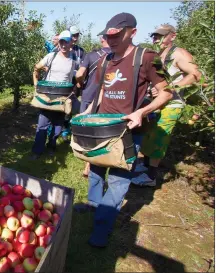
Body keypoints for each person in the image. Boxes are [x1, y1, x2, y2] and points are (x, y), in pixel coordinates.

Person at [74, 13, 173, 247]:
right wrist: (89, 110)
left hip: (128, 130)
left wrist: (142, 112)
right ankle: (93, 204)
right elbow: (102, 90)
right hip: (103, 127)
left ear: (133, 32)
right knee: (96, 170)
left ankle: (102, 225)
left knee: (119, 180)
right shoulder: (105, 60)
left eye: (118, 35)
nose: (113, 40)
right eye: (110, 36)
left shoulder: (148, 57)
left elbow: (167, 91)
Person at [131, 24, 202, 186]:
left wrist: (170, 89)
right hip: (156, 104)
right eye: (155, 35)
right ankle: (146, 165)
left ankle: (150, 177)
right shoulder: (159, 54)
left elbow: (196, 74)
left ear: (173, 36)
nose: (157, 38)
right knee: (149, 135)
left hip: (171, 105)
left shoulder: (179, 53)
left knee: (159, 138)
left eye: (161, 35)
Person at [31, 30, 76, 159]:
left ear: (70, 43)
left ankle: (51, 147)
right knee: (42, 124)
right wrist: (36, 85)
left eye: (66, 42)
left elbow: (71, 78)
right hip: (48, 96)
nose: (63, 45)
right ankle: (37, 151)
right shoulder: (52, 56)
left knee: (57, 126)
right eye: (61, 42)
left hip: (62, 97)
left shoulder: (73, 59)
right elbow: (36, 68)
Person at [75, 35, 111, 176]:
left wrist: (80, 83)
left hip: (89, 95)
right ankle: (95, 161)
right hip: (107, 98)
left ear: (102, 39)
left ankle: (87, 163)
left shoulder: (91, 55)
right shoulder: (117, 56)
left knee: (87, 129)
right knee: (100, 130)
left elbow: (80, 73)